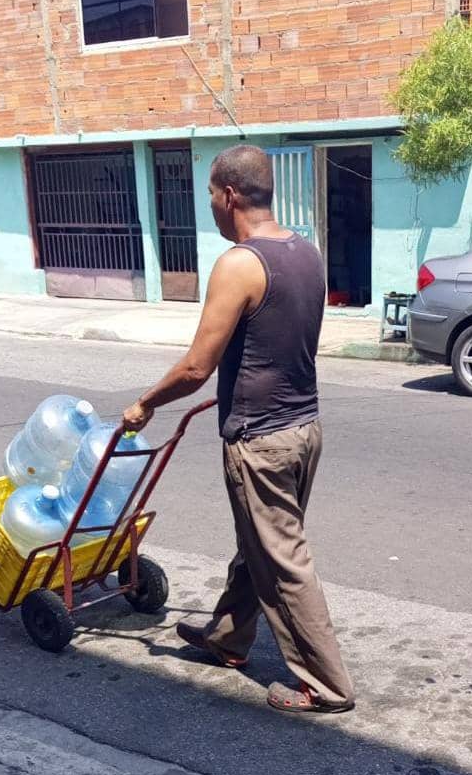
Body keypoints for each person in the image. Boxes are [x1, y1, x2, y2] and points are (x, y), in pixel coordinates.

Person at [121, 144, 354, 713]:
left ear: (228, 196)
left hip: (261, 440)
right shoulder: (305, 252)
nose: (211, 207)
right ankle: (229, 636)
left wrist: (146, 403)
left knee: (282, 558)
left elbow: (197, 366)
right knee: (262, 542)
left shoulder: (239, 264)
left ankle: (327, 686)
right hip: (303, 427)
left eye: (210, 197)